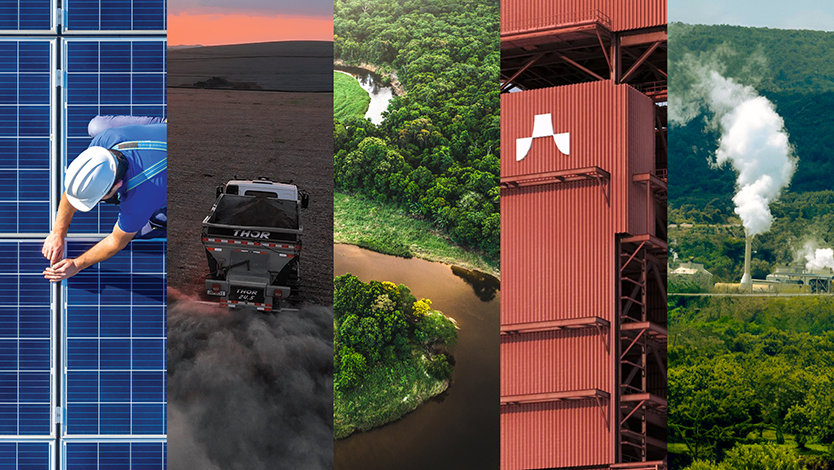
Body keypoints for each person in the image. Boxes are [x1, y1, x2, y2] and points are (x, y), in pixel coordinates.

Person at [42, 117, 166, 282]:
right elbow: (73, 191)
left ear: (118, 185)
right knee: (96, 126)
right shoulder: (104, 142)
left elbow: (116, 241)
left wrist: (77, 264)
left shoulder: (139, 201)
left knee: (142, 229)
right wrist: (57, 233)